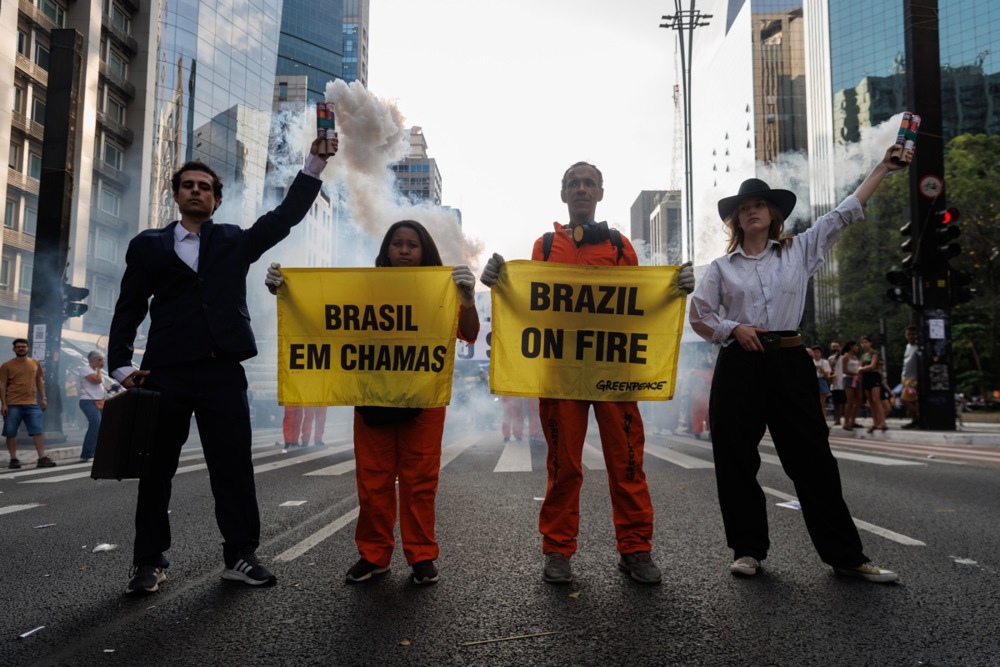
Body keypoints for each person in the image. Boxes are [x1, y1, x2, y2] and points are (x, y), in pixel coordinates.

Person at [108, 136, 336, 596]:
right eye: (188, 185)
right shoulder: (148, 246)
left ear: (215, 199)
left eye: (205, 187)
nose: (196, 191)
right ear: (176, 195)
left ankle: (240, 555)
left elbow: (283, 218)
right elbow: (128, 306)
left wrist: (315, 164)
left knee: (232, 468)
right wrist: (119, 366)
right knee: (155, 472)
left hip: (222, 372)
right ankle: (148, 562)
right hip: (164, 373)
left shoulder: (232, 239)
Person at [688, 144, 909, 583]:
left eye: (759, 205)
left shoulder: (800, 250)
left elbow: (845, 212)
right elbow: (700, 315)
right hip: (739, 366)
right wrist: (734, 329)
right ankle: (747, 550)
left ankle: (847, 556)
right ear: (736, 219)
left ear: (773, 214)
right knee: (735, 459)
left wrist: (883, 167)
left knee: (813, 461)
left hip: (789, 362)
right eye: (744, 208)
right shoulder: (719, 267)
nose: (751, 212)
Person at [479, 161, 695, 585]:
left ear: (599, 193)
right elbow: (528, 305)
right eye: (574, 184)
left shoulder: (620, 247)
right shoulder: (542, 247)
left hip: (615, 374)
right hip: (560, 374)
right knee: (563, 465)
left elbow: (642, 306)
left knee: (627, 462)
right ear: (563, 194)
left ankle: (635, 549)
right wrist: (497, 283)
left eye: (589, 183)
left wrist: (674, 288)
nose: (581, 189)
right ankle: (557, 550)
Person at [266, 220, 480, 585]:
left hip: (423, 404)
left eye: (412, 244)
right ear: (386, 251)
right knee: (373, 483)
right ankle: (374, 555)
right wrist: (288, 290)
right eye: (397, 243)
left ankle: (422, 555)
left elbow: (470, 333)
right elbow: (324, 318)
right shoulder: (365, 288)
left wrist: (467, 299)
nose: (404, 250)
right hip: (373, 399)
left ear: (424, 252)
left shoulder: (441, 290)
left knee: (420, 483)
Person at [1, 338, 56, 469]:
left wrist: (44, 398)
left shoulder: (34, 363)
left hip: (32, 403)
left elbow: (39, 381)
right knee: (11, 432)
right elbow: (2, 385)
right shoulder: (7, 365)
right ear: (14, 349)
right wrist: (3, 404)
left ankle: (42, 457)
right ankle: (13, 459)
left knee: (38, 431)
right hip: (12, 403)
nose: (21, 348)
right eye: (18, 347)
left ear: (28, 348)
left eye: (23, 346)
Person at [78, 351, 107, 461]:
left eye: (102, 359)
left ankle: (95, 451)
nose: (102, 362)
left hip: (99, 400)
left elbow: (99, 386)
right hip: (88, 401)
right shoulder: (86, 369)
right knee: (96, 424)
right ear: (92, 360)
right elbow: (97, 381)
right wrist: (99, 369)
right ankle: (87, 453)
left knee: (100, 426)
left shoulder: (96, 370)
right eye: (99, 360)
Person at [858, 335, 887, 432]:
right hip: (866, 378)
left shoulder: (874, 353)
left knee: (876, 399)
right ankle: (875, 422)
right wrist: (862, 369)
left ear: (870, 343)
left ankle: (883, 422)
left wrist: (862, 369)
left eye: (866, 342)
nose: (864, 344)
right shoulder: (863, 356)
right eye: (862, 343)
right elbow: (859, 367)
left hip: (874, 376)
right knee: (870, 401)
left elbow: (872, 366)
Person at [900, 325, 919, 429]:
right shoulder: (908, 346)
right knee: (912, 401)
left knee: (905, 400)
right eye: (908, 334)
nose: (911, 336)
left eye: (913, 334)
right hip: (905, 378)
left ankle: (918, 418)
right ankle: (915, 420)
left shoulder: (919, 347)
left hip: (913, 379)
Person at [840, 340, 861, 431]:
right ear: (851, 347)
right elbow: (844, 370)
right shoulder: (845, 357)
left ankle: (853, 421)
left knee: (859, 400)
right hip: (848, 379)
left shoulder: (855, 357)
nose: (857, 348)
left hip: (856, 379)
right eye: (856, 346)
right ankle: (846, 422)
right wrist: (854, 374)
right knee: (850, 401)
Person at [812, 345, 832, 421]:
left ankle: (822, 420)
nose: (816, 354)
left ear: (821, 353)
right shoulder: (810, 361)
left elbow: (827, 376)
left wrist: (820, 368)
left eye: (817, 352)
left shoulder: (825, 362)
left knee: (821, 403)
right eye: (814, 352)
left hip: (821, 380)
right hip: (812, 381)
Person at [828, 341, 846, 426]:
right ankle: (837, 420)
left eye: (837, 346)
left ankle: (846, 419)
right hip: (834, 384)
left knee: (845, 403)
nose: (835, 348)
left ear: (840, 347)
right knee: (836, 404)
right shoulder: (830, 358)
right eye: (833, 347)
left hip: (843, 383)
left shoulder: (844, 357)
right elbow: (829, 371)